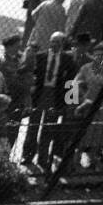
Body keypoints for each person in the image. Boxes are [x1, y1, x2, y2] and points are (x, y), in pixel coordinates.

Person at [23, 31, 75, 170]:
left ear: (63, 44)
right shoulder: (40, 57)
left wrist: (70, 102)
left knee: (48, 128)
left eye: (57, 42)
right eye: (52, 41)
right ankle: (27, 155)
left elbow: (71, 81)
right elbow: (30, 74)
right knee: (33, 125)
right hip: (40, 94)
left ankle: (43, 158)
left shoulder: (68, 59)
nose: (54, 44)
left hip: (55, 95)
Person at [74, 41, 103, 169]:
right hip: (88, 105)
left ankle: (92, 160)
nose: (100, 57)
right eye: (97, 54)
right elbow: (76, 83)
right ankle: (76, 161)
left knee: (99, 135)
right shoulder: (87, 68)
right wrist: (83, 98)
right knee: (84, 134)